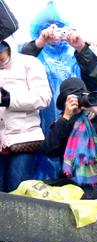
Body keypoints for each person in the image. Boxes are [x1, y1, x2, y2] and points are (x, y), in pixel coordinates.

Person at [20, 3, 97, 179]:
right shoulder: (30, 52)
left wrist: (82, 48)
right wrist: (40, 43)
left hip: (75, 126)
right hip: (35, 127)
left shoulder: (76, 55)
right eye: (49, 29)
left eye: (60, 28)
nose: (55, 33)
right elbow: (16, 71)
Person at [41, 77, 97, 209]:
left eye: (81, 98)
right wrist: (66, 117)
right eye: (73, 100)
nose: (79, 104)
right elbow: (48, 150)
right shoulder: (64, 124)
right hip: (71, 194)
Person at [0, 37, 50, 191]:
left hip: (23, 138)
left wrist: (11, 100)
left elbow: (44, 97)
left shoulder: (29, 63)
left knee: (16, 192)